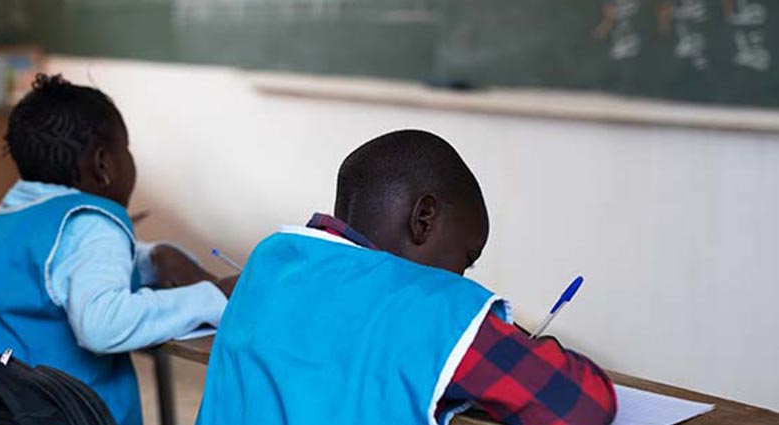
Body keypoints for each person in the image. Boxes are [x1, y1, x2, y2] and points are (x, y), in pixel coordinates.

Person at [197, 130, 617, 425]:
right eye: (466, 257)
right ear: (424, 218)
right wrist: (521, 342)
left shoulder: (270, 260)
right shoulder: (432, 306)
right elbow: (581, 405)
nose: (460, 275)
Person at [0, 74, 234, 425]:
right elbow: (102, 324)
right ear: (104, 164)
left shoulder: (15, 211)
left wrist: (151, 261)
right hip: (54, 415)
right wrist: (212, 295)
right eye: (126, 150)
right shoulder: (94, 221)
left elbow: (60, 269)